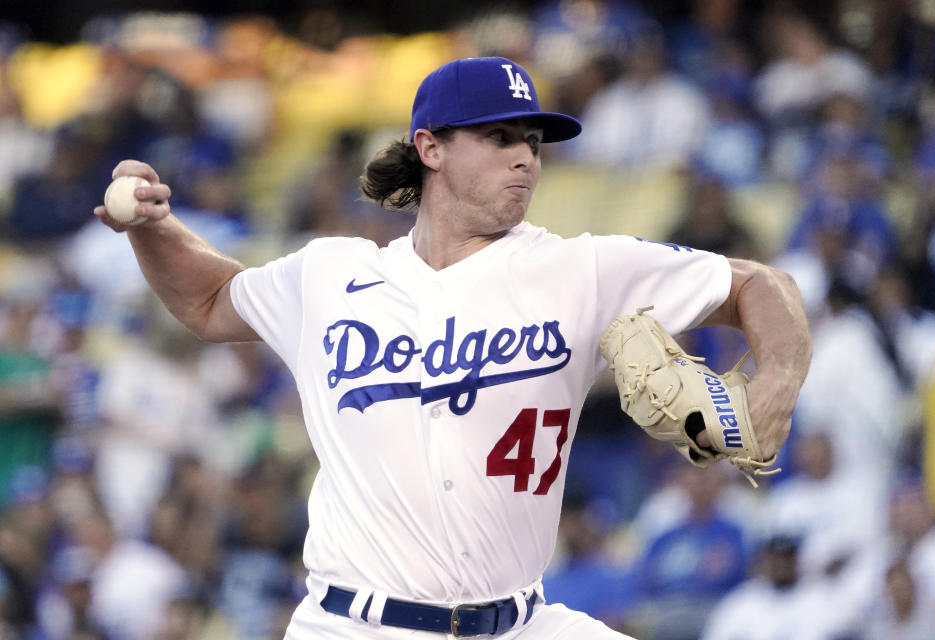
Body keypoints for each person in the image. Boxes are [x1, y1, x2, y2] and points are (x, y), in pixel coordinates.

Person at [92, 56, 811, 639]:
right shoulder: (332, 276)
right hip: (355, 626)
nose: (525, 158)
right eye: (500, 138)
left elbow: (758, 284)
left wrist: (775, 385)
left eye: (533, 142)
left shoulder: (582, 269)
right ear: (430, 147)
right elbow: (209, 298)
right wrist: (152, 228)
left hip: (521, 622)